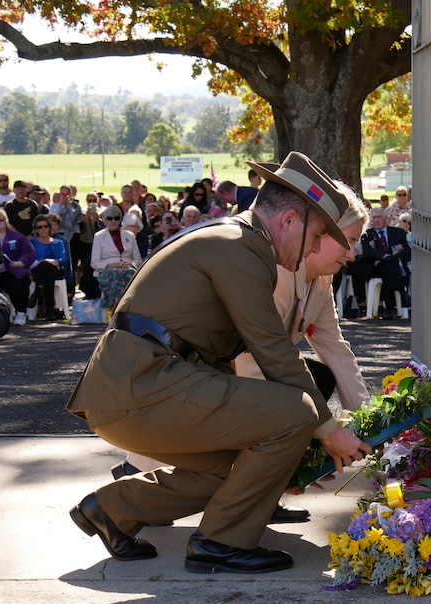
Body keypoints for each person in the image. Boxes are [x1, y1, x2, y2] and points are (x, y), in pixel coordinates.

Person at [66, 151, 371, 574]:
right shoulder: (241, 249)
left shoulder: (240, 243)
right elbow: (275, 353)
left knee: (238, 468)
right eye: (318, 234)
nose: (320, 247)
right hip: (141, 387)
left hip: (140, 385)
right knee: (296, 412)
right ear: (288, 222)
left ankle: (111, 509)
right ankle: (222, 542)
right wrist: (328, 430)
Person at [117, 180, 372, 497]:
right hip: (204, 374)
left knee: (318, 379)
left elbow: (336, 351)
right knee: (295, 403)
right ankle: (137, 476)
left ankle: (254, 483)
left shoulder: (321, 280)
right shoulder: (277, 268)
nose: (352, 253)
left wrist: (370, 424)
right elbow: (252, 359)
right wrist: (275, 445)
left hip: (248, 373)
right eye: (348, 240)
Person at [360, 207, 411, 319]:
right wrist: (385, 256)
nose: (376, 220)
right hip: (376, 268)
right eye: (373, 217)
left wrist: (391, 258)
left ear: (386, 218)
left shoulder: (398, 233)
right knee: (390, 265)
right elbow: (368, 253)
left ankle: (389, 308)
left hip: (394, 266)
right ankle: (403, 295)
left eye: (379, 217)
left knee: (390, 266)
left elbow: (407, 251)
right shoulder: (367, 235)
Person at [91, 205, 142, 312]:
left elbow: (138, 260)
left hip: (127, 269)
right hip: (107, 270)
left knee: (130, 273)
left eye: (116, 218)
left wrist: (130, 264)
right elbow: (94, 263)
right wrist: (112, 265)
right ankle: (117, 307)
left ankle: (125, 306)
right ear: (105, 220)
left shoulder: (129, 236)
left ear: (120, 219)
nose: (113, 221)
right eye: (110, 218)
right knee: (116, 274)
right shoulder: (99, 236)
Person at [28, 214, 68, 320]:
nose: (43, 229)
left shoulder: (58, 243)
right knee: (48, 275)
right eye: (39, 227)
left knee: (45, 266)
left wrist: (46, 261)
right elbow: (30, 260)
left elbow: (62, 260)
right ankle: (50, 308)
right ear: (36, 230)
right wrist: (44, 262)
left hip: (56, 270)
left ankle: (38, 289)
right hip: (39, 271)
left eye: (45, 226)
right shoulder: (32, 243)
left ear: (49, 227)